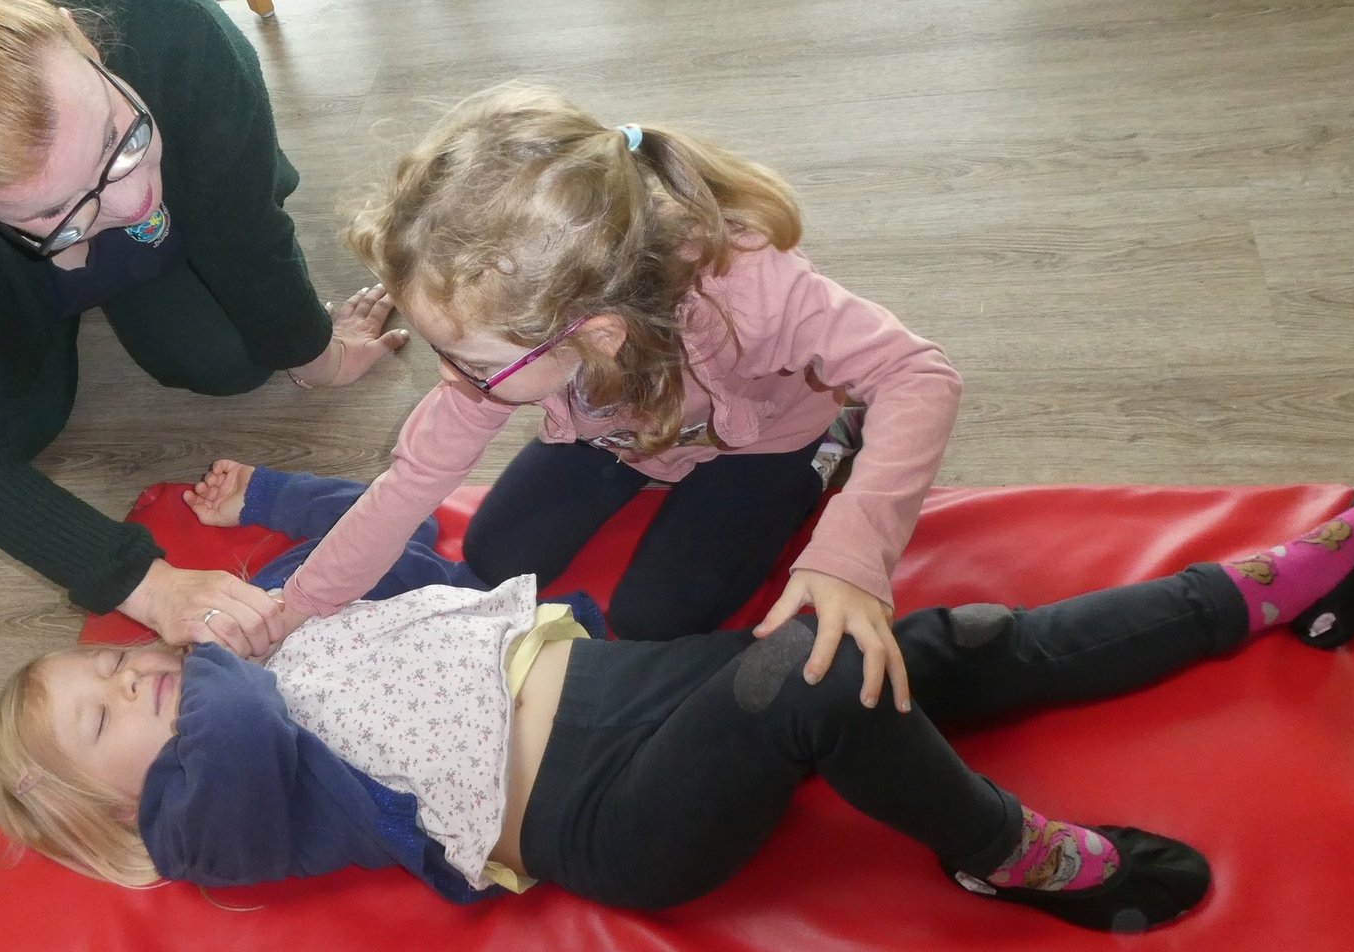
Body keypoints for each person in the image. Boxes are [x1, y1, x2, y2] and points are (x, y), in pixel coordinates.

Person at [0, 443, 1354, 932]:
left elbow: (396, 553)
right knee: (827, 667)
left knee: (948, 647)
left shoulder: (286, 648)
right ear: (103, 808)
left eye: (115, 670)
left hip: (645, 682)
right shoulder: (209, 814)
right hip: (612, 816)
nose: (143, 688)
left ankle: (1281, 587)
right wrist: (223, 650)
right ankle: (1010, 857)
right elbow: (224, 745)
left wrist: (284, 510)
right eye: (107, 716)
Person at [269, 83, 962, 714]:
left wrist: (852, 552)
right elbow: (409, 484)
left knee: (656, 617)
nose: (451, 379)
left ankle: (835, 439)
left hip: (760, 441)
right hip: (620, 432)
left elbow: (919, 375)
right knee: (494, 550)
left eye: (472, 362)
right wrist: (295, 607)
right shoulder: (510, 334)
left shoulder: (754, 291)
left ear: (597, 335)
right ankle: (641, 454)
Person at [0, 0, 405, 646]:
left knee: (228, 358)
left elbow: (244, 234)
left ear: (78, 36)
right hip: (11, 273)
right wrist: (149, 586)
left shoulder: (165, 26)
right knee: (18, 428)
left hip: (183, 198)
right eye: (56, 209)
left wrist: (318, 356)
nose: (132, 197)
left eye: (119, 139)